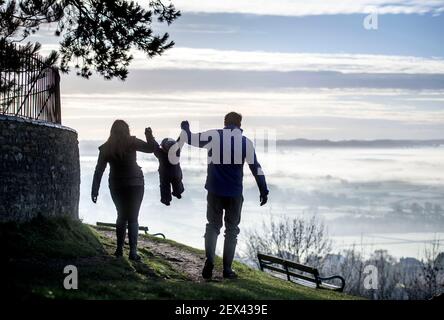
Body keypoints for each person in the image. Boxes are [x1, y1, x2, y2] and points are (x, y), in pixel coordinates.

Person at [180, 112, 269, 279]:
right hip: (235, 193)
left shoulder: (214, 137)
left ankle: (209, 260)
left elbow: (190, 139)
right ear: (240, 124)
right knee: (232, 231)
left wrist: (185, 128)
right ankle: (227, 269)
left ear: (225, 122)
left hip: (214, 191)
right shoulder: (245, 143)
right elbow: (255, 167)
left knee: (212, 226)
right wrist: (263, 189)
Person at [91, 120, 156, 261]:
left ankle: (119, 250)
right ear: (127, 130)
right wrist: (149, 135)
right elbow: (152, 148)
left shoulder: (106, 148)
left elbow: (99, 171)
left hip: (116, 185)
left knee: (121, 215)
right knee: (133, 217)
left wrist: (94, 190)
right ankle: (133, 252)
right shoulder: (132, 142)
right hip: (135, 184)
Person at [147, 128, 184, 206]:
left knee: (164, 186)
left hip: (165, 174)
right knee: (177, 182)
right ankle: (178, 193)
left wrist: (149, 134)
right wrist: (184, 131)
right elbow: (180, 140)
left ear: (163, 148)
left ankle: (166, 200)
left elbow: (154, 145)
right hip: (176, 172)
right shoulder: (177, 151)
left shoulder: (161, 154)